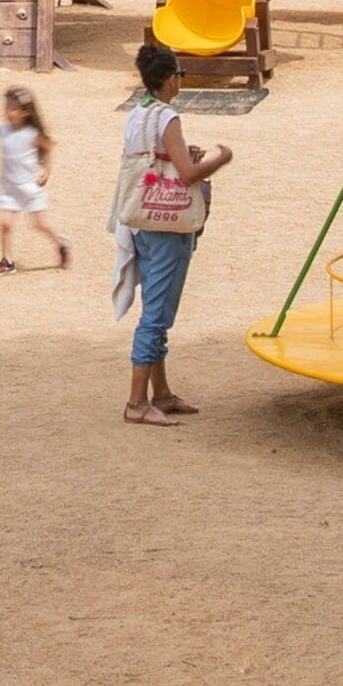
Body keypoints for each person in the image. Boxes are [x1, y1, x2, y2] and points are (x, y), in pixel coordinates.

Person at [113, 41, 230, 426]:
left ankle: (160, 394)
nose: (181, 80)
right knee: (158, 315)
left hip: (142, 217)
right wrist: (220, 159)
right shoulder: (168, 117)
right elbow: (187, 175)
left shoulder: (138, 113)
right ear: (168, 78)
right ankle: (136, 403)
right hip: (169, 224)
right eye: (178, 74)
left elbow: (154, 160)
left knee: (154, 305)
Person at [0, 84, 70, 273]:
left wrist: (46, 171)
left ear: (25, 113)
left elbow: (48, 148)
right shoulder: (4, 129)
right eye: (7, 107)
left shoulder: (33, 134)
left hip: (30, 186)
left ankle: (61, 243)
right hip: (9, 187)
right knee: (5, 223)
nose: (8, 112)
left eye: (13, 108)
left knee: (39, 224)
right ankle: (7, 261)